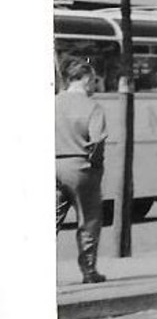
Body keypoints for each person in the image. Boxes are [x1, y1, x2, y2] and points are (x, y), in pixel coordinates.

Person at [56, 58, 108, 284]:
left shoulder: (52, 102)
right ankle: (88, 271)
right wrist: (95, 167)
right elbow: (97, 142)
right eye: (93, 81)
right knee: (88, 221)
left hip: (50, 166)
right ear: (85, 79)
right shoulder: (92, 107)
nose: (94, 86)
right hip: (80, 169)